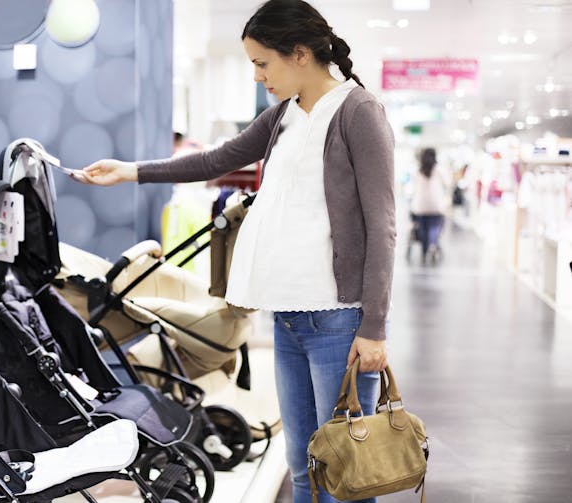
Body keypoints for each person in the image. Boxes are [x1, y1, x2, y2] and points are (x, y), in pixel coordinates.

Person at [78, 1, 395, 501]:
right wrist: (130, 170)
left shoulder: (358, 112)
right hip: (290, 318)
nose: (257, 76)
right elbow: (216, 160)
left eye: (262, 63)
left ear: (299, 53)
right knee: (302, 465)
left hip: (339, 321)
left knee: (345, 475)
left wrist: (374, 327)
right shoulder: (283, 117)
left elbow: (383, 226)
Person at [410, 147, 449, 265]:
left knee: (423, 228)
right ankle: (433, 245)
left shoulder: (418, 170)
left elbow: (413, 187)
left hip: (421, 205)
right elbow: (447, 184)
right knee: (434, 227)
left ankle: (424, 250)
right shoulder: (439, 169)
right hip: (436, 205)